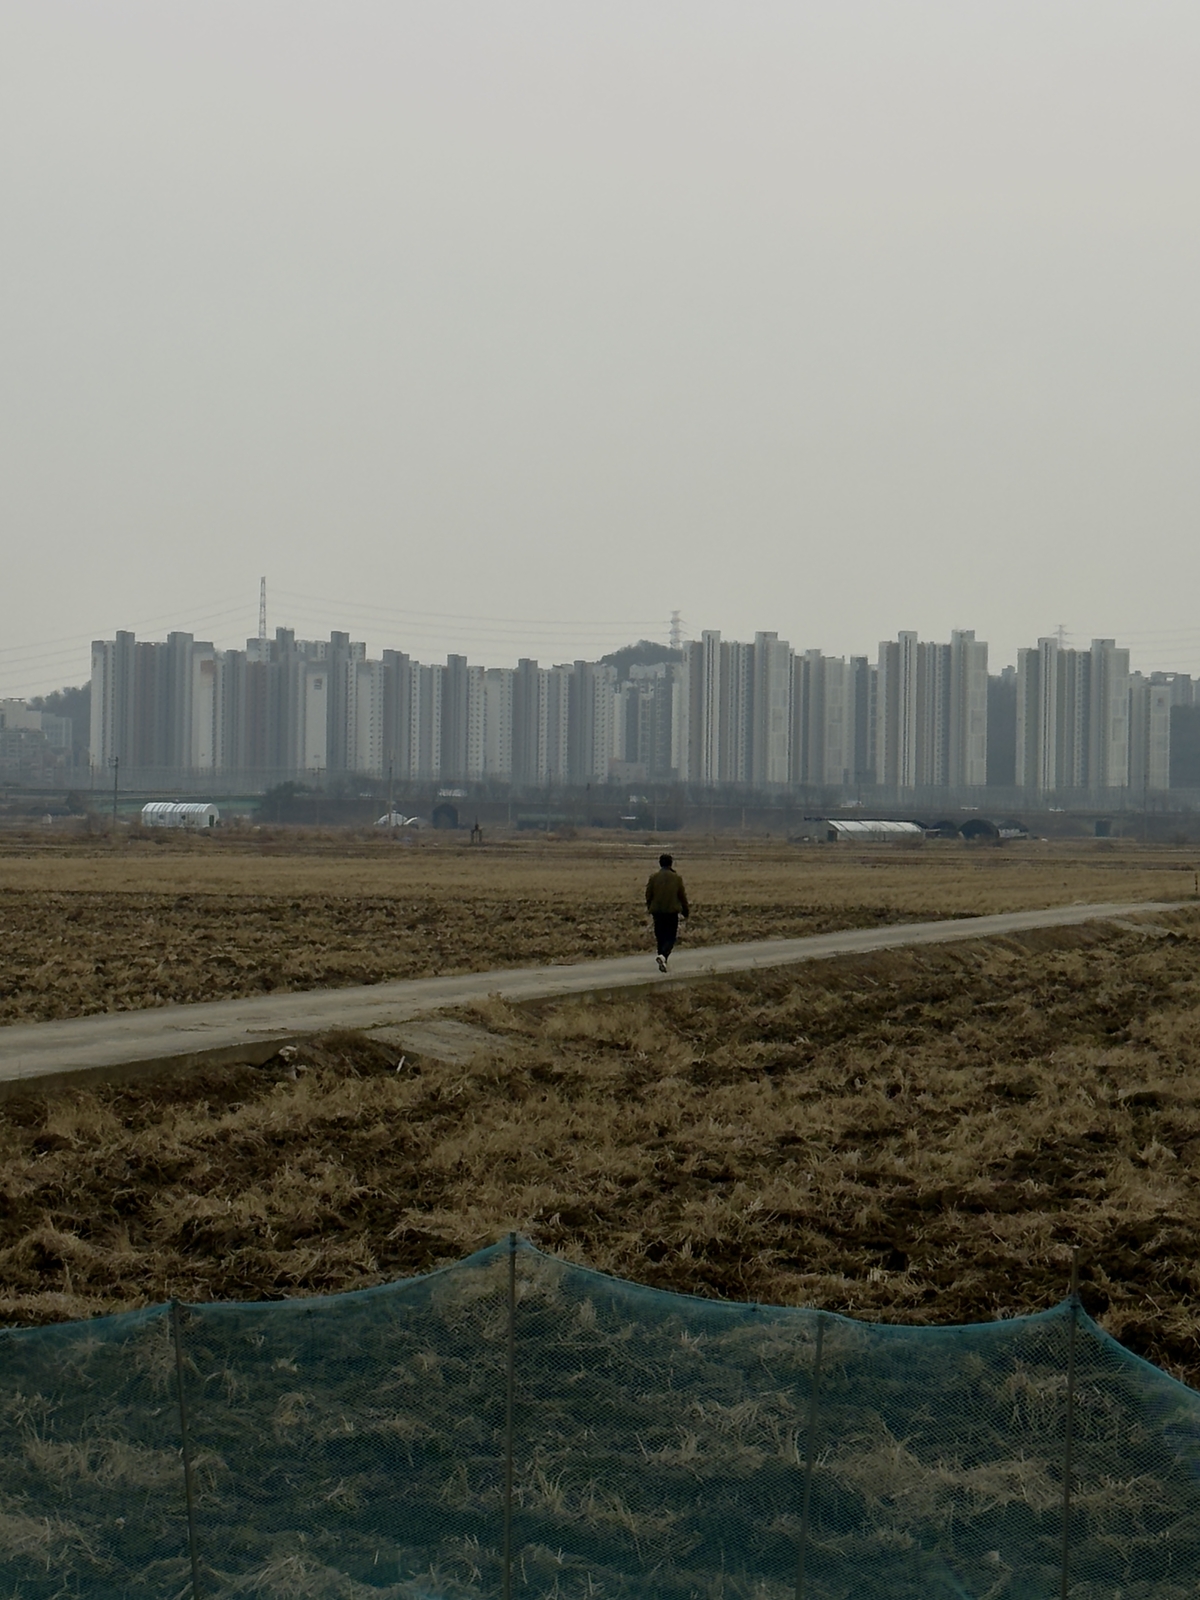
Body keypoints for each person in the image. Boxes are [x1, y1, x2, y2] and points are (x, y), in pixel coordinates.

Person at [645, 853, 689, 972]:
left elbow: (648, 894)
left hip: (657, 912)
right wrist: (686, 910)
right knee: (670, 937)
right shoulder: (676, 878)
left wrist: (650, 907)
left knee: (660, 936)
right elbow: (682, 896)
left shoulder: (654, 877)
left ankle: (662, 958)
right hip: (671, 912)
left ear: (660, 863)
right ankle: (664, 956)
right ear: (671, 863)